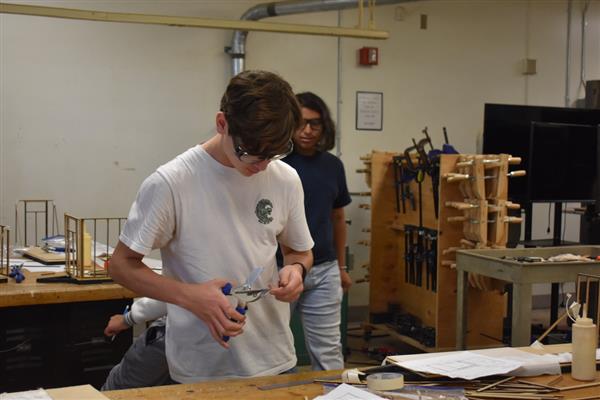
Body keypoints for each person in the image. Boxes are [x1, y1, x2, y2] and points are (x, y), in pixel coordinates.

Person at [108, 70, 314, 384]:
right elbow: (121, 266)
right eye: (250, 153)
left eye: (273, 154)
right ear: (222, 124)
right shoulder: (172, 182)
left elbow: (299, 250)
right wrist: (191, 297)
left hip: (274, 358)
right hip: (199, 368)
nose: (261, 166)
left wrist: (297, 270)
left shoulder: (285, 178)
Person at [282, 92, 352, 371]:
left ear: (324, 127)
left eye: (315, 124)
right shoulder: (274, 164)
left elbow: (338, 217)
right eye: (300, 123)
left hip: (324, 269)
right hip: (280, 271)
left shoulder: (333, 166)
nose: (307, 131)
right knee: (271, 353)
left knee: (329, 354)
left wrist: (342, 266)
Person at [101, 299, 169, 390]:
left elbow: (174, 295)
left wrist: (127, 319)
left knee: (117, 388)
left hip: (171, 335)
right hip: (190, 348)